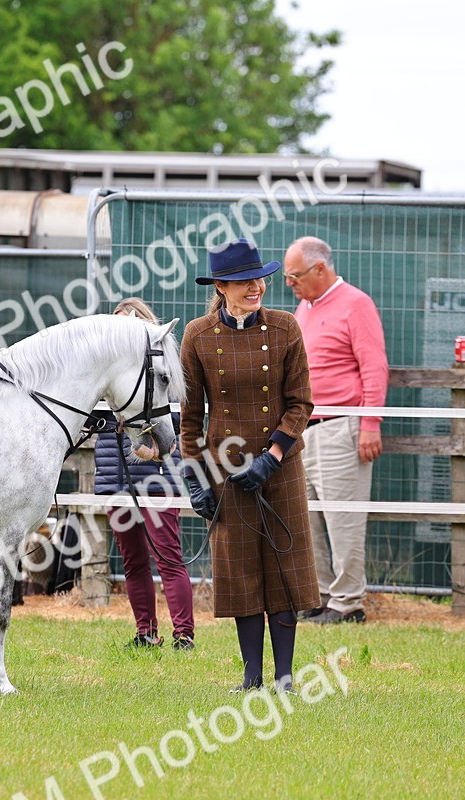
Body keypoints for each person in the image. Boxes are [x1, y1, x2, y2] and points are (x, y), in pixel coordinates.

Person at [179, 238, 319, 693]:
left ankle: (284, 677)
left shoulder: (286, 328)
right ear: (222, 286)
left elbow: (301, 403)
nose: (256, 287)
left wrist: (273, 455)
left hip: (280, 468)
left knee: (283, 566)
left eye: (259, 278)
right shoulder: (197, 336)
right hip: (226, 472)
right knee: (240, 571)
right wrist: (194, 475)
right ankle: (251, 676)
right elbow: (189, 417)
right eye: (244, 281)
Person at [284, 236, 389, 624]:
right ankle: (320, 596)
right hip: (303, 429)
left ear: (320, 269)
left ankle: (347, 604)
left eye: (294, 276)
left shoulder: (356, 304)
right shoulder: (305, 308)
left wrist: (370, 424)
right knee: (305, 517)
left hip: (340, 427)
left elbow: (374, 367)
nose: (289, 283)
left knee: (342, 518)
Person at [96, 298, 195, 650]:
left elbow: (176, 419)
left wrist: (153, 447)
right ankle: (145, 633)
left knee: (168, 556)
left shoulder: (160, 368)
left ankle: (184, 634)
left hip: (155, 477)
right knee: (133, 561)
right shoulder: (103, 373)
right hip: (114, 477)